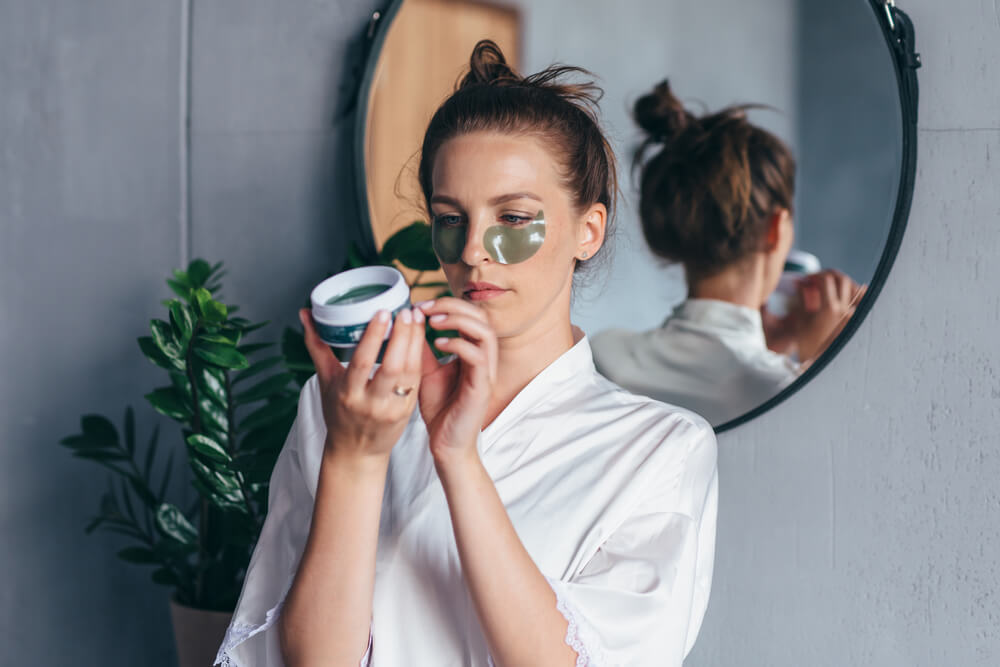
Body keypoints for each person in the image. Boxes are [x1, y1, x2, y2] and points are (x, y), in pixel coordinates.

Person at [214, 42, 717, 667]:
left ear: (587, 231)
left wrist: (456, 456)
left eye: (512, 217)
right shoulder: (346, 407)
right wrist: (355, 457)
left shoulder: (659, 449)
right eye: (451, 219)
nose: (474, 250)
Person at [591, 80, 864, 426]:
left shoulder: (603, 355)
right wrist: (820, 364)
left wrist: (773, 350)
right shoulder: (784, 388)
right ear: (776, 228)